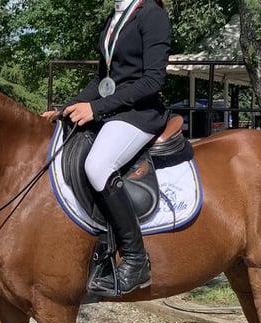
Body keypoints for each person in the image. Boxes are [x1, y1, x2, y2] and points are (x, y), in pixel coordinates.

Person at [42, 0, 171, 296]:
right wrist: (66, 108)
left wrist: (96, 109)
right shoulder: (115, 17)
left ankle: (137, 260)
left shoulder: (151, 14)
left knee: (98, 165)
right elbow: (103, 80)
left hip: (140, 114)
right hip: (114, 111)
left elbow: (153, 80)